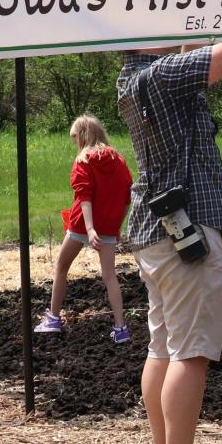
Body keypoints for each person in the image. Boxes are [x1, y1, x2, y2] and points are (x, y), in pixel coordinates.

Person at [118, 41, 222, 444]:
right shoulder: (162, 75)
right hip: (187, 232)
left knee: (164, 347)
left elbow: (200, 46)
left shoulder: (137, 77)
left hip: (160, 233)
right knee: (190, 354)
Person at [35, 115, 134, 343]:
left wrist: (89, 229)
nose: (75, 143)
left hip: (82, 224)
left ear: (82, 136)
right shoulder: (118, 160)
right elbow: (127, 196)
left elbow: (84, 197)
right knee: (110, 276)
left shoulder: (84, 160)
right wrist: (116, 225)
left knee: (61, 266)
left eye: (75, 138)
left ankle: (53, 318)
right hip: (108, 225)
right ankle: (120, 328)